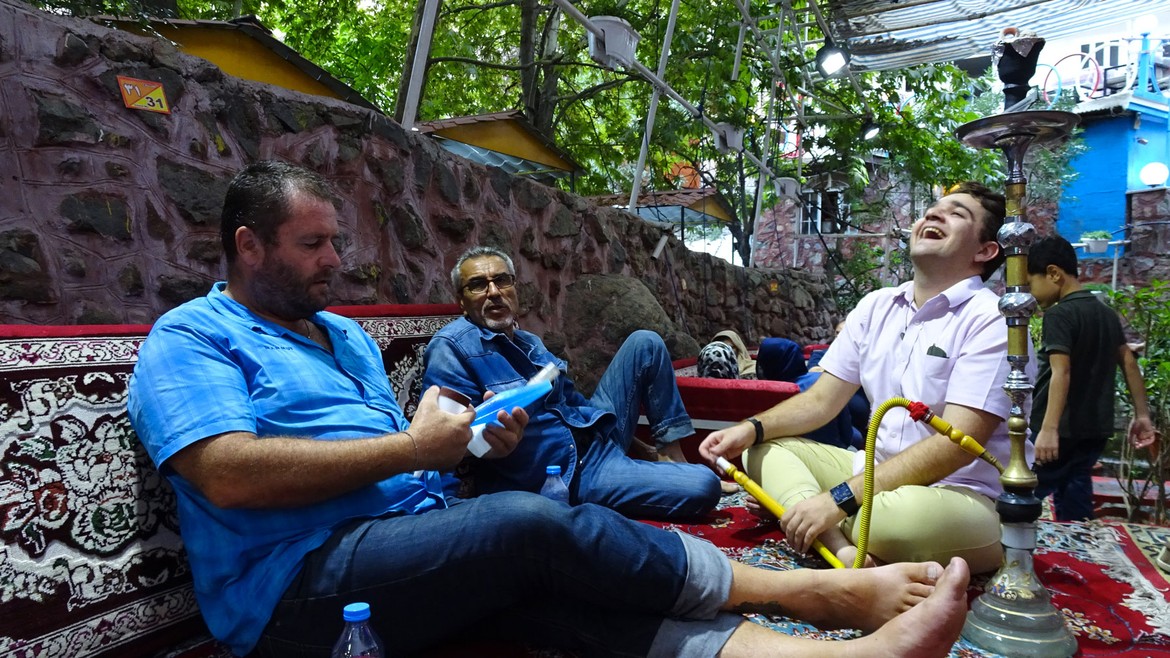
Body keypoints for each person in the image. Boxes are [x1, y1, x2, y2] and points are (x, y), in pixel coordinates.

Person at [127, 160, 973, 658]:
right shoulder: (192, 336)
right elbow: (226, 474)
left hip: (404, 536)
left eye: (335, 241)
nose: (334, 261)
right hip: (292, 586)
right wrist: (418, 450)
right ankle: (812, 596)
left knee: (561, 592)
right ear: (248, 246)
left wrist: (474, 446)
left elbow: (414, 456)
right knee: (528, 526)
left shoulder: (341, 335)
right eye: (313, 244)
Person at [700, 181, 1028, 574]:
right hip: (872, 477)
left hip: (958, 496)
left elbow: (957, 444)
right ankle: (839, 547)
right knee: (761, 450)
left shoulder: (992, 319)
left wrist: (836, 499)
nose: (934, 214)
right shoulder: (876, 306)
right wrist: (749, 428)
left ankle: (803, 513)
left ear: (985, 251)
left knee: (901, 523)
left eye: (957, 213)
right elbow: (821, 400)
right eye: (933, 208)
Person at [423, 245, 722, 519]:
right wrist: (451, 514)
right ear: (461, 302)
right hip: (570, 472)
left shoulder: (529, 341)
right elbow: (442, 441)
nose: (494, 292)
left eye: (502, 280)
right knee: (704, 485)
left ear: (514, 288)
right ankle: (619, 482)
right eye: (478, 285)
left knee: (645, 342)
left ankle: (670, 455)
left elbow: (574, 404)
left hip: (591, 437)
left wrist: (637, 445)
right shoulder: (451, 347)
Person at [1026, 235, 1157, 521]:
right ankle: (1076, 545)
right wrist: (1142, 415)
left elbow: (1062, 371)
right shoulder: (1105, 313)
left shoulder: (1058, 315)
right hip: (1094, 429)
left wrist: (1048, 430)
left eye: (1030, 284)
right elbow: (1128, 362)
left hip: (1058, 428)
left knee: (1023, 494)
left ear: (1053, 273)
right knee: (1075, 494)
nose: (1031, 295)